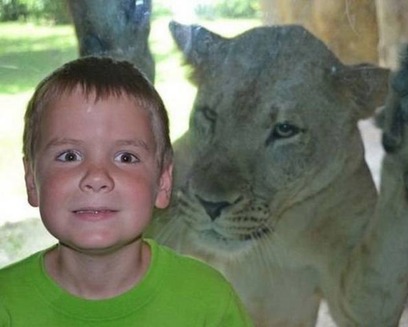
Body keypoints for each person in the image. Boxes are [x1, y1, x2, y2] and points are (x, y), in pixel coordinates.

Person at [0, 57, 253, 326]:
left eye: (126, 157)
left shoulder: (210, 303)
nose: (96, 177)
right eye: (70, 155)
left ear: (164, 182)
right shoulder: (6, 304)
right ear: (31, 179)